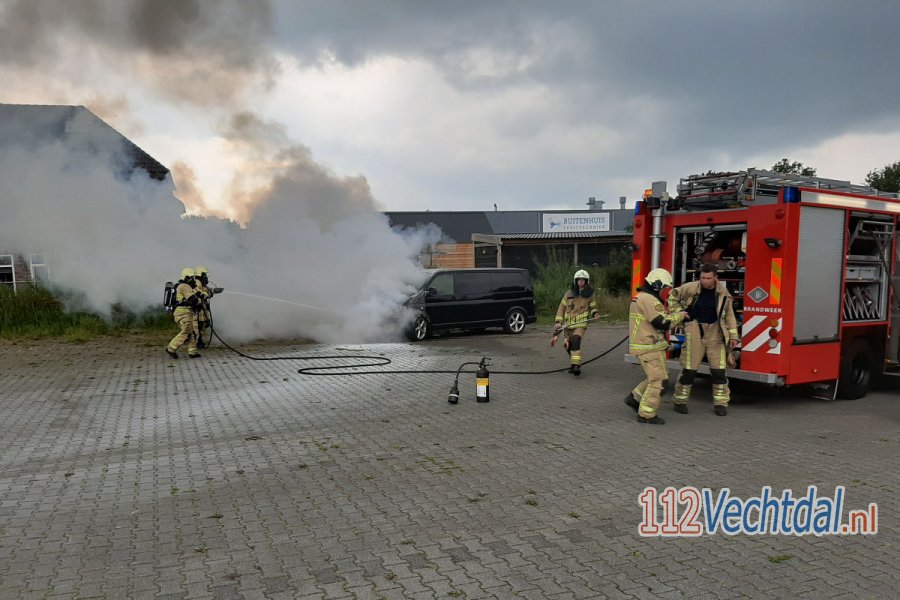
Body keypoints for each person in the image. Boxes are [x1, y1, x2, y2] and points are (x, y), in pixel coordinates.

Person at [667, 263, 739, 416]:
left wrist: (733, 336)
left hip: (716, 332)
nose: (705, 281)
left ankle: (721, 403)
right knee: (689, 370)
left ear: (715, 278)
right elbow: (672, 296)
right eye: (703, 278)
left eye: (709, 278)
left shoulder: (722, 292)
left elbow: (730, 315)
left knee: (719, 371)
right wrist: (680, 314)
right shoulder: (690, 288)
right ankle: (680, 401)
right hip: (695, 330)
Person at [625, 268, 687, 424]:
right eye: (664, 287)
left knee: (658, 376)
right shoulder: (649, 300)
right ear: (656, 285)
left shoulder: (642, 297)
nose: (665, 291)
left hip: (647, 346)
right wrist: (680, 316)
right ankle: (646, 414)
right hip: (648, 346)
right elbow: (662, 323)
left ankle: (635, 398)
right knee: (658, 380)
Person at [553, 269, 601, 376]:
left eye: (583, 280)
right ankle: (573, 363)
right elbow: (561, 308)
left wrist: (595, 314)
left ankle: (576, 366)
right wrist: (558, 321)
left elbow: (593, 307)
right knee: (568, 345)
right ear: (576, 281)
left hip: (580, 325)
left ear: (586, 281)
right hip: (568, 325)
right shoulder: (568, 294)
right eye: (579, 280)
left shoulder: (589, 295)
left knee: (575, 340)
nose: (581, 282)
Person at [166, 268, 202, 359]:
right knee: (187, 331)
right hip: (182, 313)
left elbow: (198, 294)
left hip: (186, 313)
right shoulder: (184, 286)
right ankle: (171, 348)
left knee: (192, 332)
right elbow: (192, 299)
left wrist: (211, 293)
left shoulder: (186, 286)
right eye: (192, 277)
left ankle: (192, 352)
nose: (194, 280)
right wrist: (199, 302)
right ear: (187, 277)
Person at [193, 266, 218, 349]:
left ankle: (198, 341)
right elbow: (202, 295)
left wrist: (214, 291)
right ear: (200, 275)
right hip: (196, 310)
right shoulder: (196, 283)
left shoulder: (200, 284)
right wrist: (211, 293)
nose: (206, 277)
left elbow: (206, 291)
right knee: (197, 327)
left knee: (201, 326)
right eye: (205, 275)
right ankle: (197, 343)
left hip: (201, 309)